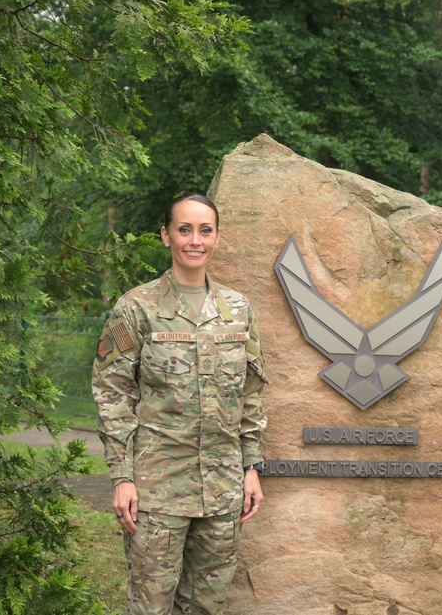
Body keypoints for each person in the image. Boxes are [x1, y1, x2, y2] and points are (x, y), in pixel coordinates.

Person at [92, 193, 267, 615]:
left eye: (205, 231)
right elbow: (113, 393)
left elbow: (250, 394)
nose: (195, 240)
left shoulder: (238, 310)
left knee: (208, 607)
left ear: (217, 237)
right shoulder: (136, 308)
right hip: (156, 491)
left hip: (222, 491)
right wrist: (122, 477)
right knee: (151, 607)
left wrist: (251, 468)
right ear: (166, 236)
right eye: (184, 229)